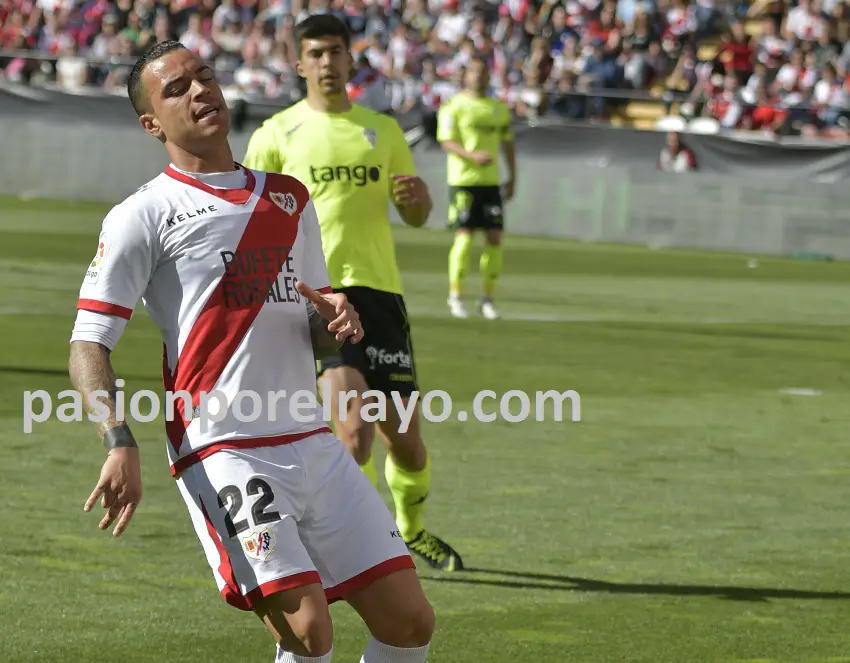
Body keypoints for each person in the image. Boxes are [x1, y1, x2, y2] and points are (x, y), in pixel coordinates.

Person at [69, 40, 436, 663]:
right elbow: (89, 341)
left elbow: (312, 313)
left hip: (310, 438)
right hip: (224, 448)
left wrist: (334, 318)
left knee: (410, 622)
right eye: (177, 88)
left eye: (204, 76)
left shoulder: (289, 199)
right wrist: (117, 439)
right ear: (151, 124)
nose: (201, 91)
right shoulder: (143, 214)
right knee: (308, 632)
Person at [242, 14, 463, 573]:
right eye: (315, 53)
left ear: (349, 59)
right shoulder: (275, 135)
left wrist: (418, 199)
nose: (327, 63)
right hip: (317, 297)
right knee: (354, 431)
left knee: (406, 444)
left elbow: (415, 215)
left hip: (381, 295)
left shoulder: (382, 131)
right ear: (299, 64)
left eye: (336, 52)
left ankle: (411, 531)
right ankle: (362, 544)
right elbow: (250, 220)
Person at [436, 55, 516, 320]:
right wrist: (472, 156)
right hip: (463, 182)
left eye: (484, 72)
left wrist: (513, 176)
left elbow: (507, 144)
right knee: (465, 236)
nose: (479, 76)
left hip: (491, 182)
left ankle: (488, 298)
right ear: (466, 75)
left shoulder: (498, 108)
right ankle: (456, 296)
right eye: (474, 72)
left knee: (494, 238)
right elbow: (447, 141)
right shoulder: (453, 107)